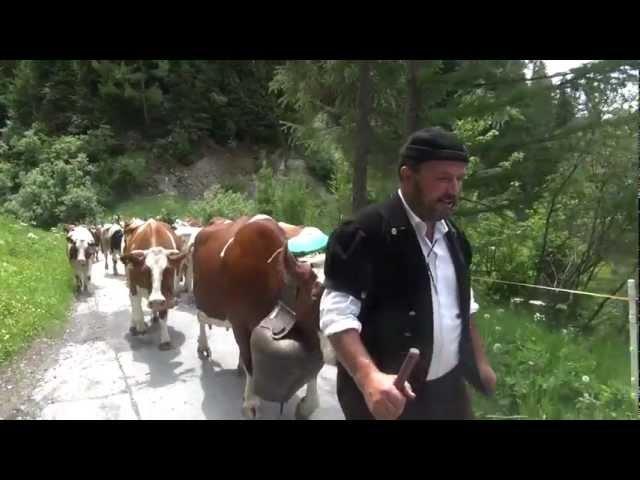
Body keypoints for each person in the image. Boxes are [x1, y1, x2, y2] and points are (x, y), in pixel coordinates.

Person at [320, 127, 496, 420]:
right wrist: (368, 378)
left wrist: (480, 362)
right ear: (407, 175)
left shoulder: (455, 238)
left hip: (449, 393)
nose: (453, 190)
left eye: (459, 179)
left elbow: (467, 304)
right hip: (389, 398)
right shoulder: (364, 232)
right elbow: (335, 315)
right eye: (442, 179)